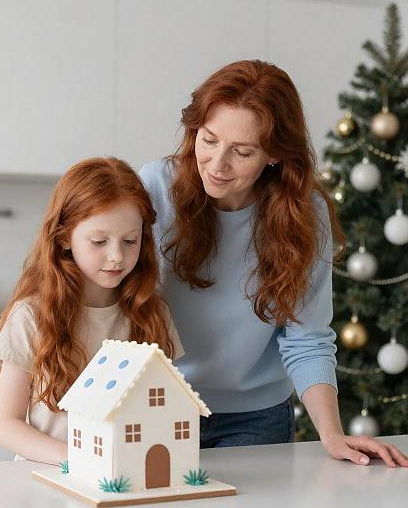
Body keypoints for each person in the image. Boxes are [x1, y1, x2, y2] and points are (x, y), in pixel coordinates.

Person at [139, 60, 408, 468]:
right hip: (157, 408)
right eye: (208, 140)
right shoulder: (157, 187)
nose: (216, 164)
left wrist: (332, 434)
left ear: (275, 156)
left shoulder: (305, 214)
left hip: (256, 419)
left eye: (242, 152)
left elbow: (307, 336)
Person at [0, 157, 184, 465]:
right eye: (99, 241)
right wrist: (79, 458)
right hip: (46, 478)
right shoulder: (31, 316)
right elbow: (6, 426)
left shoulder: (152, 312)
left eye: (130, 241)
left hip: (121, 477)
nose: (116, 256)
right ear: (65, 237)